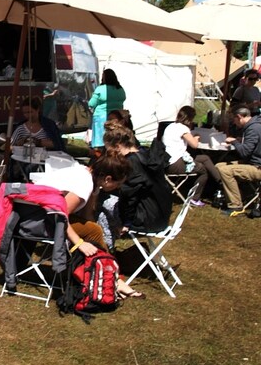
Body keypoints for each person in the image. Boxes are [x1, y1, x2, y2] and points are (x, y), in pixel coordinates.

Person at [60, 153, 145, 299]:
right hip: (42, 219)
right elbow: (60, 215)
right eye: (117, 184)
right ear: (108, 179)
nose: (118, 187)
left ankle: (105, 274)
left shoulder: (93, 181)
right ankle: (112, 278)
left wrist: (96, 236)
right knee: (94, 230)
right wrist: (79, 243)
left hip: (50, 217)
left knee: (94, 229)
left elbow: (87, 215)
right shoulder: (83, 184)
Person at [162, 105, 223, 206]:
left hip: (166, 161)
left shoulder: (171, 126)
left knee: (205, 158)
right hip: (174, 163)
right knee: (203, 170)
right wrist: (197, 138)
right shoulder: (183, 128)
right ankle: (194, 198)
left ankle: (220, 181)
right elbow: (194, 145)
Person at [216, 107, 261, 213]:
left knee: (225, 171)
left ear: (239, 117)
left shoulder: (253, 129)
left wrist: (234, 141)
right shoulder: (254, 125)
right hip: (253, 162)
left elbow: (244, 152)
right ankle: (236, 193)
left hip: (257, 166)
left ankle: (235, 205)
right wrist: (241, 141)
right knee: (218, 166)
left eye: (234, 120)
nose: (234, 123)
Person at [87, 69, 126, 149]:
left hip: (100, 118)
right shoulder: (120, 89)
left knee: (100, 141)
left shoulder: (100, 89)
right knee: (114, 140)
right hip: (116, 118)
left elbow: (91, 103)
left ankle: (100, 153)